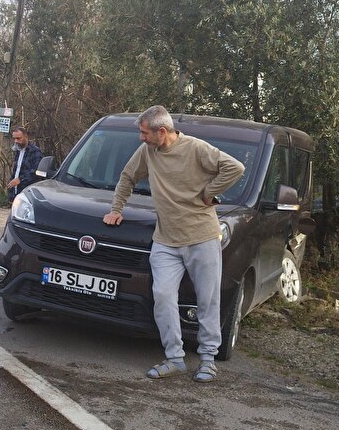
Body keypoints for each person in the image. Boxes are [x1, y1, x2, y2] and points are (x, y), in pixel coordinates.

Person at [102, 105, 244, 383]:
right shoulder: (147, 152)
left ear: (162, 131)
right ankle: (175, 358)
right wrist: (116, 209)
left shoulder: (196, 149)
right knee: (164, 296)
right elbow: (127, 177)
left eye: (144, 133)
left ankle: (207, 359)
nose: (141, 138)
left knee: (208, 300)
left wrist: (209, 192)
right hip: (165, 240)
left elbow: (235, 168)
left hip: (201, 237)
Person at [6, 126, 43, 201]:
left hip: (28, 192)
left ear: (26, 137)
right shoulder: (18, 151)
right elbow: (16, 170)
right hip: (17, 192)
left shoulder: (35, 151)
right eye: (14, 138)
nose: (16, 141)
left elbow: (36, 171)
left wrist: (20, 179)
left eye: (18, 138)